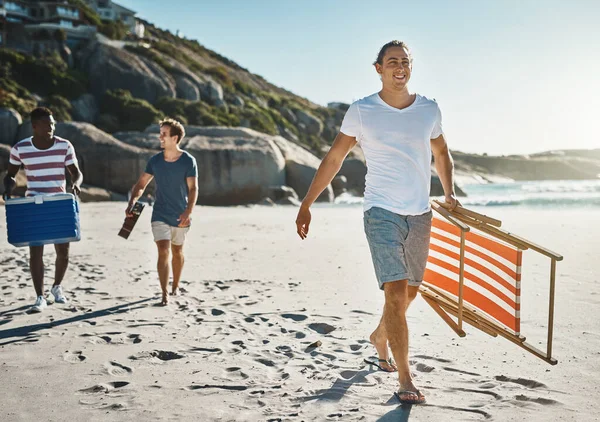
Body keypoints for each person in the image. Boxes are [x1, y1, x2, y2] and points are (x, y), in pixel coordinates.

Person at [295, 40, 459, 404]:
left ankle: (380, 335)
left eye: (405, 62)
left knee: (410, 292)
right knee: (396, 293)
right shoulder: (362, 110)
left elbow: (442, 151)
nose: (399, 68)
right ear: (378, 68)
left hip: (420, 214)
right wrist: (307, 202)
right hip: (380, 212)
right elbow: (335, 157)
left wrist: (448, 193)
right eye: (392, 62)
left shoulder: (428, 109)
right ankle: (404, 377)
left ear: (410, 67)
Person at [3, 107, 83, 312]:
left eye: (53, 123)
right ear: (35, 126)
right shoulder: (20, 148)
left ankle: (57, 287)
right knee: (35, 252)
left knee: (63, 251)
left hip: (59, 202)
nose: (52, 127)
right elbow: (11, 175)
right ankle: (40, 296)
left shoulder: (64, 146)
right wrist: (8, 185)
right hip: (34, 204)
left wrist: (76, 184)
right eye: (47, 124)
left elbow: (76, 173)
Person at [126, 118, 198, 306]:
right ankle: (164, 292)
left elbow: (193, 189)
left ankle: (176, 284)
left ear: (175, 138)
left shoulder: (188, 161)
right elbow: (141, 184)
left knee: (177, 251)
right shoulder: (155, 161)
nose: (160, 137)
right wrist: (133, 200)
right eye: (160, 134)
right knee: (163, 250)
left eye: (164, 134)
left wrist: (188, 211)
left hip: (180, 214)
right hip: (159, 213)